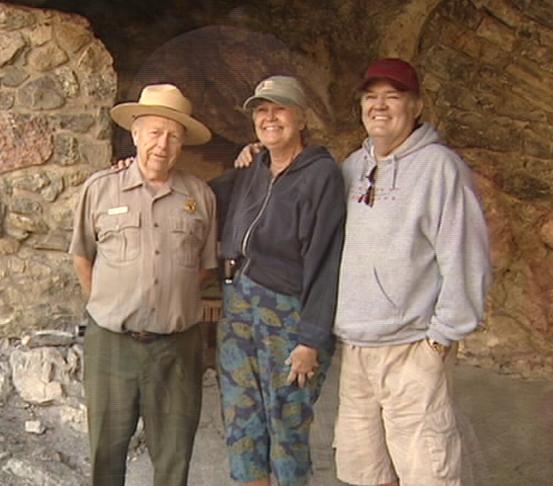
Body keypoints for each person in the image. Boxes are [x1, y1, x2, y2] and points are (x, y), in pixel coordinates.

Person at [332, 58, 491, 486]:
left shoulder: (440, 169)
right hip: (356, 351)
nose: (379, 106)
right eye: (371, 97)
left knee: (427, 472)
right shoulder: (351, 168)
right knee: (363, 473)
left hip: (411, 349)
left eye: (392, 97)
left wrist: (438, 343)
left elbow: (466, 258)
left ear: (416, 105)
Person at [69, 83, 217, 486]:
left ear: (182, 142)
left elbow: (203, 268)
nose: (162, 144)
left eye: (173, 135)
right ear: (135, 133)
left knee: (173, 458)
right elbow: (82, 255)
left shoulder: (200, 197)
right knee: (106, 452)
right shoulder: (99, 189)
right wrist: (110, 303)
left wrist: (167, 300)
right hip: (112, 343)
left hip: (177, 347)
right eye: (154, 132)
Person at [210, 75, 346, 486]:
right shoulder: (253, 167)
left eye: (280, 108)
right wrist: (137, 169)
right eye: (261, 110)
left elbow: (327, 260)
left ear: (301, 118)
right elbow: (193, 196)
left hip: (286, 316)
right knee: (242, 423)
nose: (270, 117)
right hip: (238, 308)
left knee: (286, 426)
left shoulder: (321, 175)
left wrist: (311, 339)